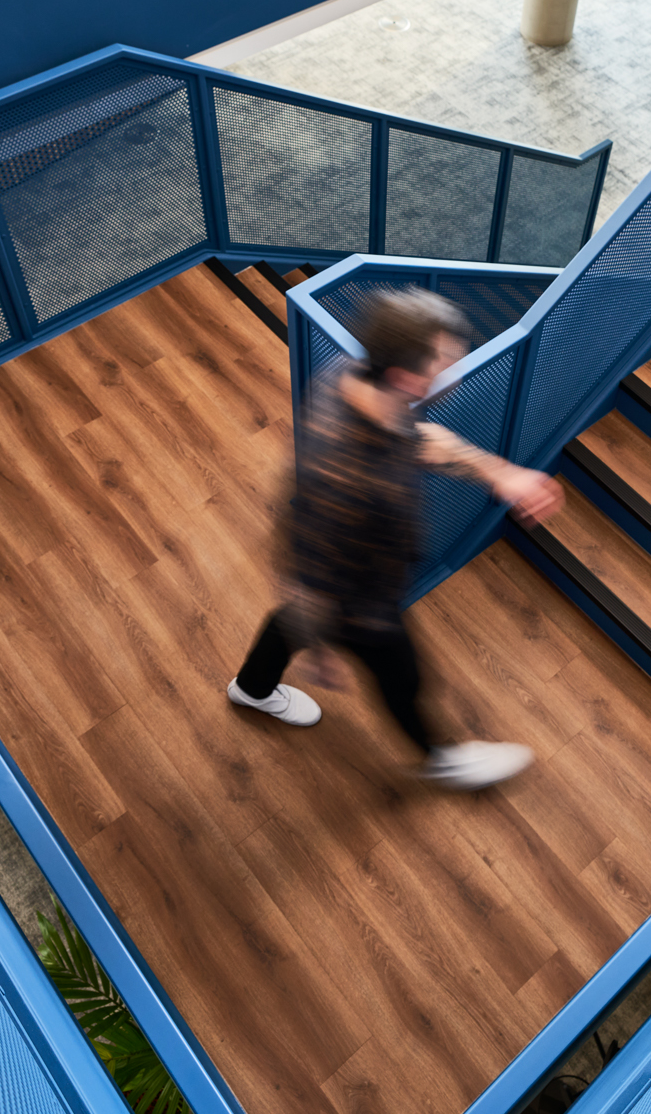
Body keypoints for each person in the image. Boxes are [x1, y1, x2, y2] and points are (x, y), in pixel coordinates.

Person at [226, 288, 564, 791]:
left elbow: (416, 440)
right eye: (446, 359)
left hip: (345, 577)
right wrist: (322, 650)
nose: (457, 366)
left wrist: (499, 473)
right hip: (357, 600)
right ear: (408, 377)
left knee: (288, 623)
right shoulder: (350, 474)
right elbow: (306, 558)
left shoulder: (356, 380)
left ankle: (251, 688)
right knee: (402, 677)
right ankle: (440, 759)